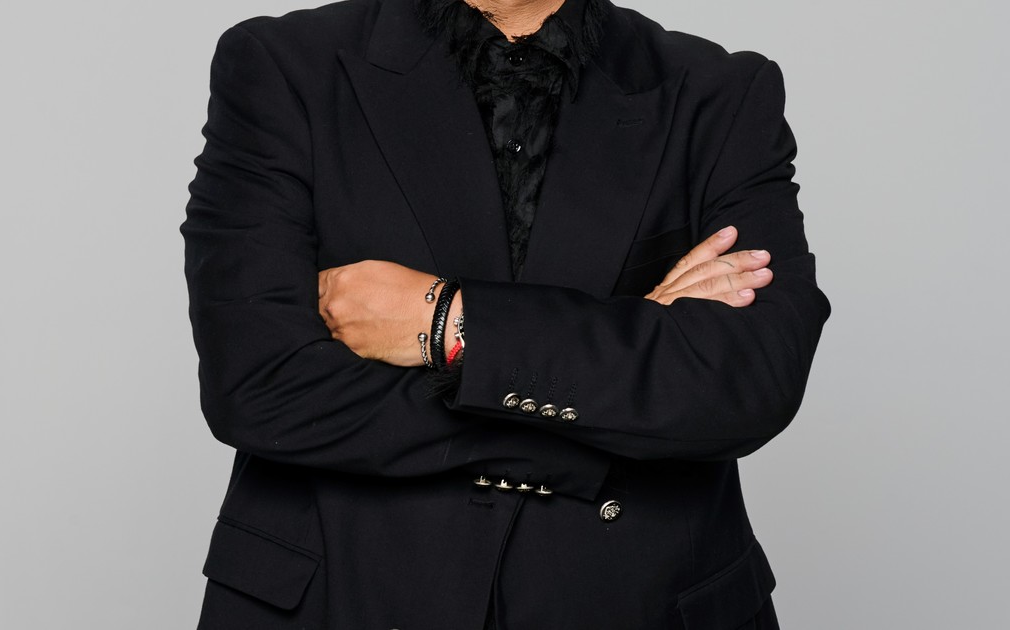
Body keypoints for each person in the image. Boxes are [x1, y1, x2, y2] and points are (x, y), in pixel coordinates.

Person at [180, 0, 830, 627]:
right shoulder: (284, 65)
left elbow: (748, 380)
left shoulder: (719, 93)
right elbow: (258, 385)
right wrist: (616, 393)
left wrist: (448, 321)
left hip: (634, 599)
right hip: (348, 592)